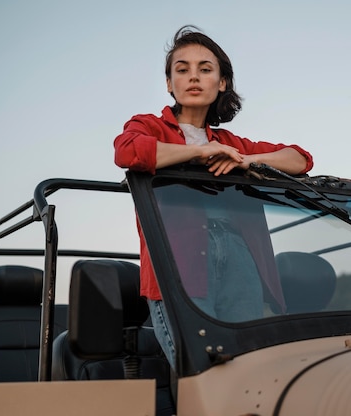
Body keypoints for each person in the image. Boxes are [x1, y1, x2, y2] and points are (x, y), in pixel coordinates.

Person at [114, 25, 313, 368]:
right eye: (182, 69)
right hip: (178, 256)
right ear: (168, 83)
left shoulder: (231, 143)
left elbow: (299, 158)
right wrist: (199, 153)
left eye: (205, 69)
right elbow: (129, 152)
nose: (194, 77)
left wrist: (245, 159)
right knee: (200, 368)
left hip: (239, 255)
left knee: (247, 364)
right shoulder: (148, 126)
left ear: (221, 83)